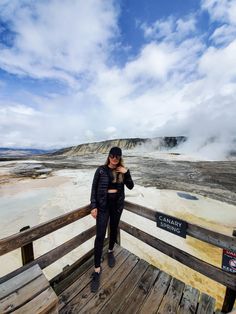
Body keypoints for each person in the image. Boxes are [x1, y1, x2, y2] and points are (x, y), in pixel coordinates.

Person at [90, 146, 134, 292]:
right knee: (100, 236)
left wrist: (127, 173)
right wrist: (93, 206)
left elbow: (131, 186)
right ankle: (97, 270)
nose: (114, 158)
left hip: (116, 206)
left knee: (114, 229)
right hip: (103, 207)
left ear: (120, 157)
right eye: (112, 155)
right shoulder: (101, 170)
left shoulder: (122, 171)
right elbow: (94, 189)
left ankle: (110, 251)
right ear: (108, 156)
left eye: (117, 156)